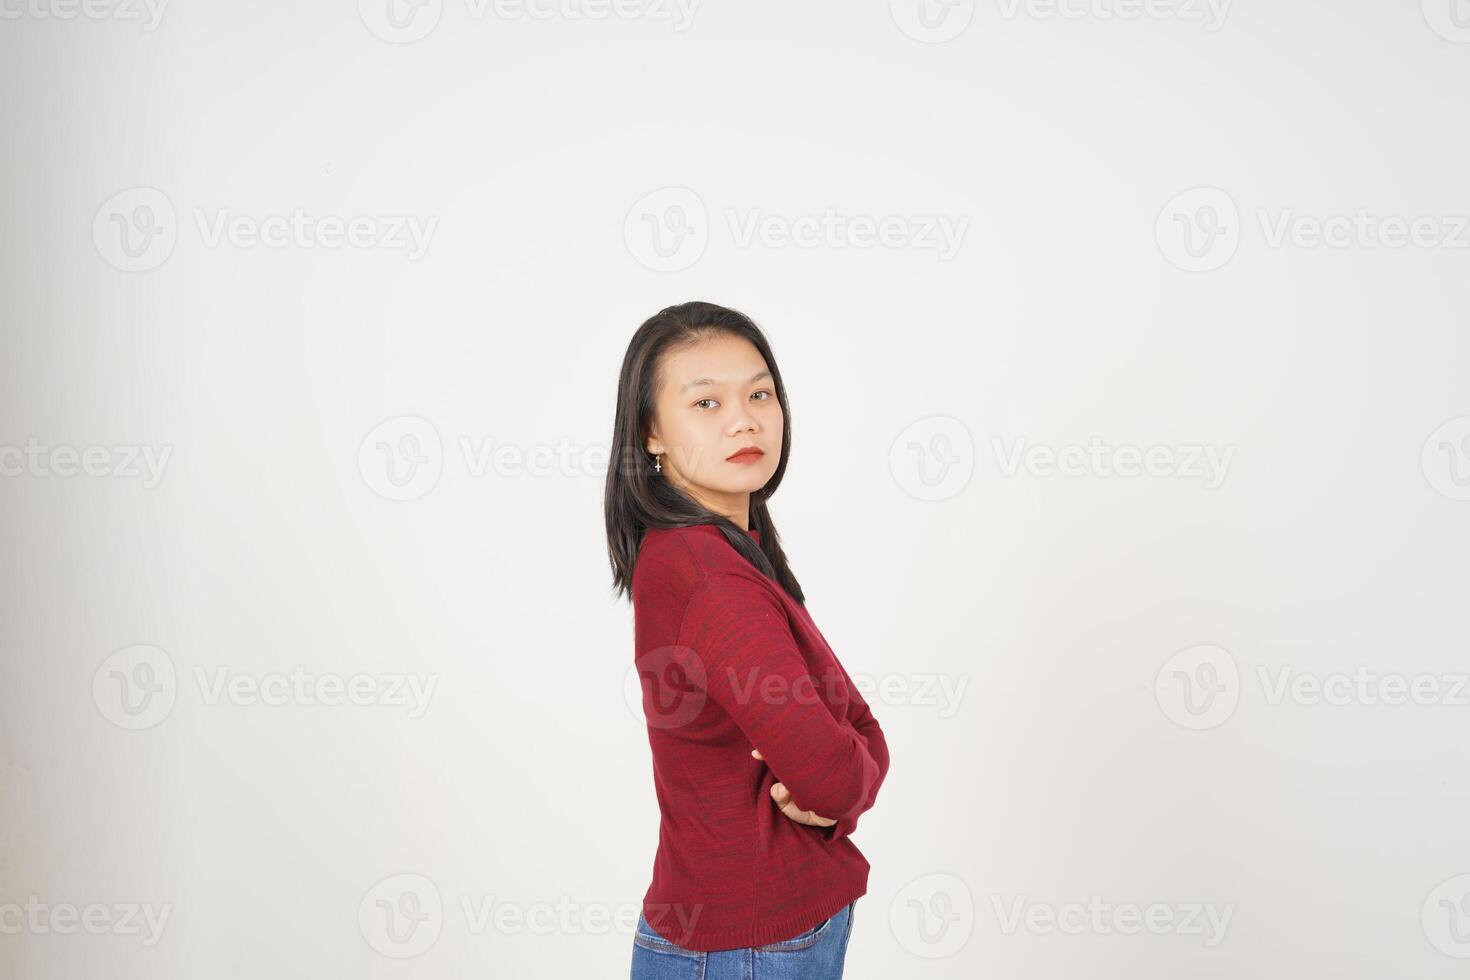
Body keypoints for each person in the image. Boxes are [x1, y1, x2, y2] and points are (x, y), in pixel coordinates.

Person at [604, 301, 890, 979]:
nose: (744, 419)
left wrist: (853, 755)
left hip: (749, 934)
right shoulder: (709, 576)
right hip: (744, 945)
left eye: (760, 393)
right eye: (706, 403)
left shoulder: (723, 554)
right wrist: (854, 764)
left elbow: (852, 735)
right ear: (651, 432)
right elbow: (835, 771)